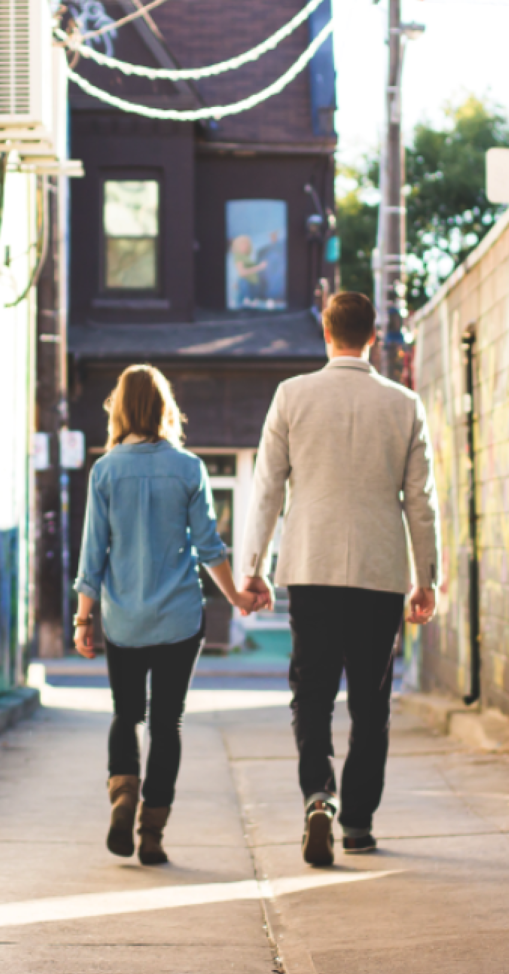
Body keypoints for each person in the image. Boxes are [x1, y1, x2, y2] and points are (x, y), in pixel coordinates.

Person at [239, 291, 438, 867]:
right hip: (379, 572)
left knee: (313, 693)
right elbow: (420, 502)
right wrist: (427, 577)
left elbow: (267, 490)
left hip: (312, 566)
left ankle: (317, 795)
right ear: (372, 336)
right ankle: (357, 824)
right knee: (371, 704)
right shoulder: (403, 404)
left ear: (326, 335)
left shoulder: (292, 396)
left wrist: (252, 569)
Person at [74, 363, 246, 865]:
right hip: (179, 618)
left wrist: (84, 620)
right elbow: (210, 547)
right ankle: (152, 832)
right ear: (165, 408)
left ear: (121, 409)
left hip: (123, 617)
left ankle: (123, 792)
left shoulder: (104, 471)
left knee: (126, 713)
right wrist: (236, 597)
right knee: (167, 724)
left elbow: (93, 555)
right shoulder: (189, 468)